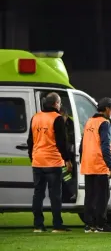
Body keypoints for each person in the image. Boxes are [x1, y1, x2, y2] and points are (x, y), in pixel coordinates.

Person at [27, 92, 72, 232]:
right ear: (55, 104)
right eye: (59, 103)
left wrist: (32, 157)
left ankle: (38, 225)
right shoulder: (57, 118)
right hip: (53, 162)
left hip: (37, 161)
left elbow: (30, 141)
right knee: (55, 195)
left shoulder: (35, 117)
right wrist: (67, 159)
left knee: (38, 194)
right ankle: (57, 225)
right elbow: (61, 142)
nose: (60, 105)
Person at [80, 97, 111, 233]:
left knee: (90, 196)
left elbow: (82, 144)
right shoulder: (104, 123)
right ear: (107, 109)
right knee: (103, 196)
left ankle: (89, 225)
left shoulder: (89, 122)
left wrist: (82, 159)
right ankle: (101, 225)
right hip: (99, 164)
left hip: (88, 164)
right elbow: (105, 146)